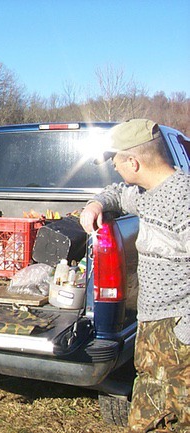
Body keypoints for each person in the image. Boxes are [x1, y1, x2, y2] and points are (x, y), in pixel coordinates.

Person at [79, 119, 189, 432]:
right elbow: (115, 194)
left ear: (134, 162)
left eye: (115, 162)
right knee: (144, 420)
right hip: (152, 327)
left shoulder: (184, 200)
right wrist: (95, 205)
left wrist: (185, 333)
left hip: (181, 331)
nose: (114, 169)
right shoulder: (146, 195)